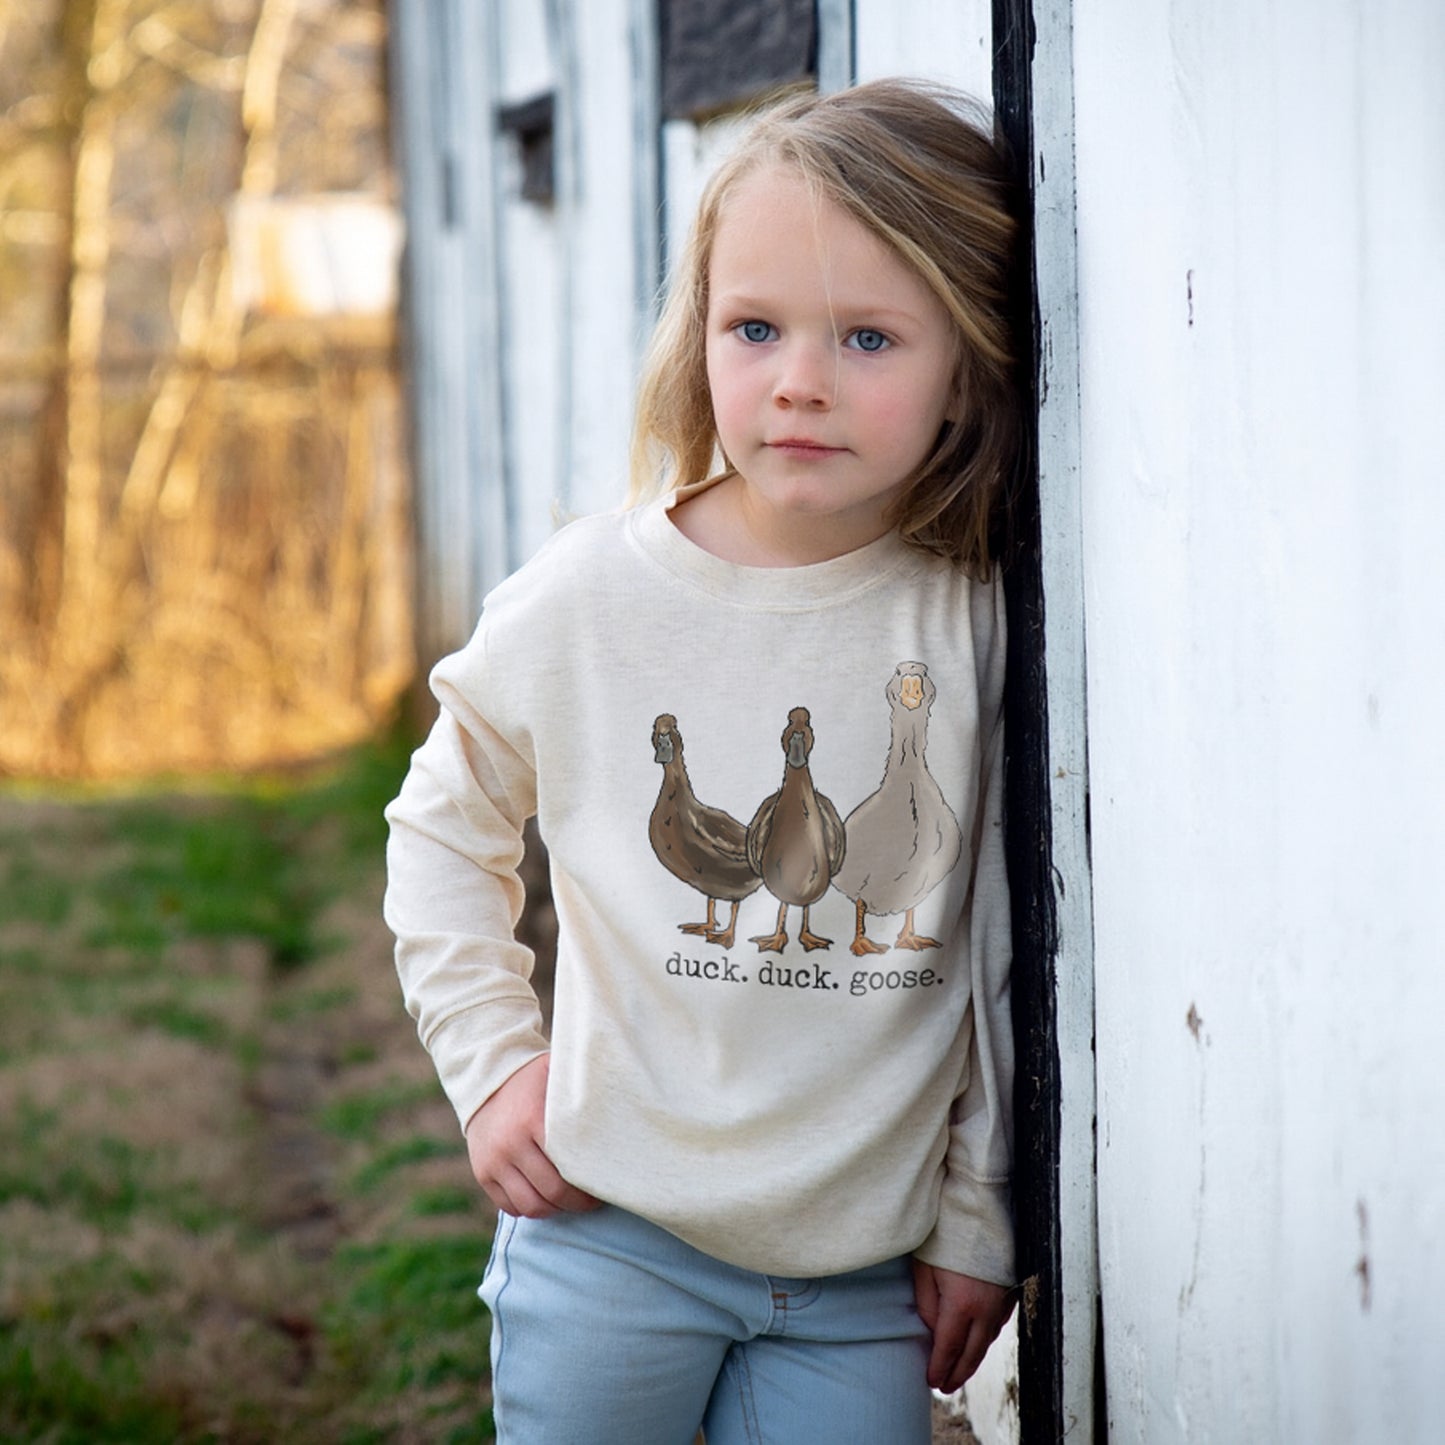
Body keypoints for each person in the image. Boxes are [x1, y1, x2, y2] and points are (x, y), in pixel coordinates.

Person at [384, 77, 1023, 1444]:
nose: (797, 378)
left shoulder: (965, 623)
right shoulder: (586, 599)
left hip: (859, 1279)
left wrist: (975, 1205)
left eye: (866, 336)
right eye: (755, 327)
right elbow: (443, 828)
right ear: (699, 333)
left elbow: (991, 942)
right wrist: (495, 1059)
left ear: (968, 365)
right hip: (609, 1234)